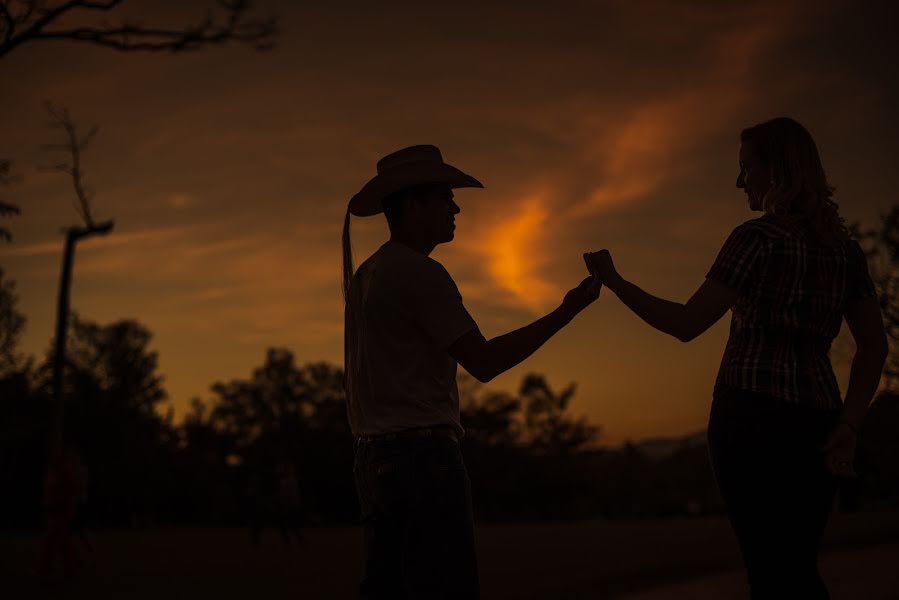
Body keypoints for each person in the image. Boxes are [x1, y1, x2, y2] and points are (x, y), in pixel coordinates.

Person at [585, 117, 888, 600]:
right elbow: (874, 345)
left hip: (750, 418)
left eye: (747, 167)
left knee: (769, 570)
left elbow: (686, 325)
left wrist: (615, 281)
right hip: (820, 420)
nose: (738, 180)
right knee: (797, 565)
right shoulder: (845, 253)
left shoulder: (755, 239)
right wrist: (850, 422)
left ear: (778, 170)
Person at [343, 144, 600, 599]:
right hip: (421, 460)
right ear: (411, 204)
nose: (455, 207)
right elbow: (484, 362)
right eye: (444, 197)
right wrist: (569, 310)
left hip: (374, 461)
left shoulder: (369, 273)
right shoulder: (419, 272)